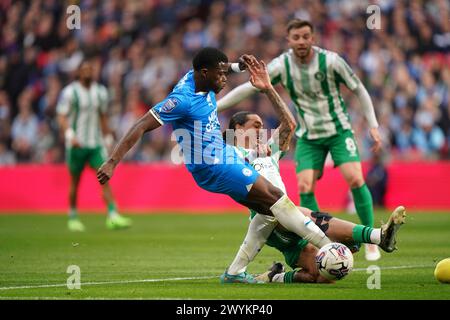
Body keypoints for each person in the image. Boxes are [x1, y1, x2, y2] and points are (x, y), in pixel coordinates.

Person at [96, 48, 333, 284]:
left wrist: (239, 66)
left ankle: (235, 273)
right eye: (220, 74)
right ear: (204, 73)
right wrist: (112, 161)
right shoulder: (181, 100)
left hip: (224, 154)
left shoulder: (202, 77)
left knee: (268, 211)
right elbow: (140, 124)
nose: (224, 78)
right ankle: (328, 248)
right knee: (276, 197)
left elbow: (224, 66)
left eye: (224, 72)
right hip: (214, 165)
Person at [220, 58, 406, 284]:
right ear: (238, 129)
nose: (261, 131)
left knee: (324, 276)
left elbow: (290, 125)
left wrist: (269, 90)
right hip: (271, 218)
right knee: (304, 213)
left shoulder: (269, 149)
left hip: (288, 220)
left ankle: (274, 276)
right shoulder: (230, 152)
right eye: (256, 126)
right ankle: (377, 236)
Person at [217, 19, 383, 261]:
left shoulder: (332, 61)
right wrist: (216, 107)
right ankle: (317, 241)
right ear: (289, 40)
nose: (302, 41)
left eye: (306, 36)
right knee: (305, 186)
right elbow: (249, 88)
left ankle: (370, 243)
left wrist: (373, 124)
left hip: (338, 130)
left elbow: (358, 89)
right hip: (308, 135)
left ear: (313, 38)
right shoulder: (283, 65)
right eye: (297, 37)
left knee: (355, 177)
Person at [57, 60, 132, 232]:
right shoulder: (70, 92)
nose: (89, 72)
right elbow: (61, 116)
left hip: (95, 144)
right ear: (79, 72)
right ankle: (73, 215)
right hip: (76, 145)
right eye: (85, 69)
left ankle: (113, 215)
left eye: (91, 69)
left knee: (104, 178)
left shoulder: (101, 92)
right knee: (75, 182)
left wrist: (107, 137)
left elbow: (103, 116)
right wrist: (70, 135)